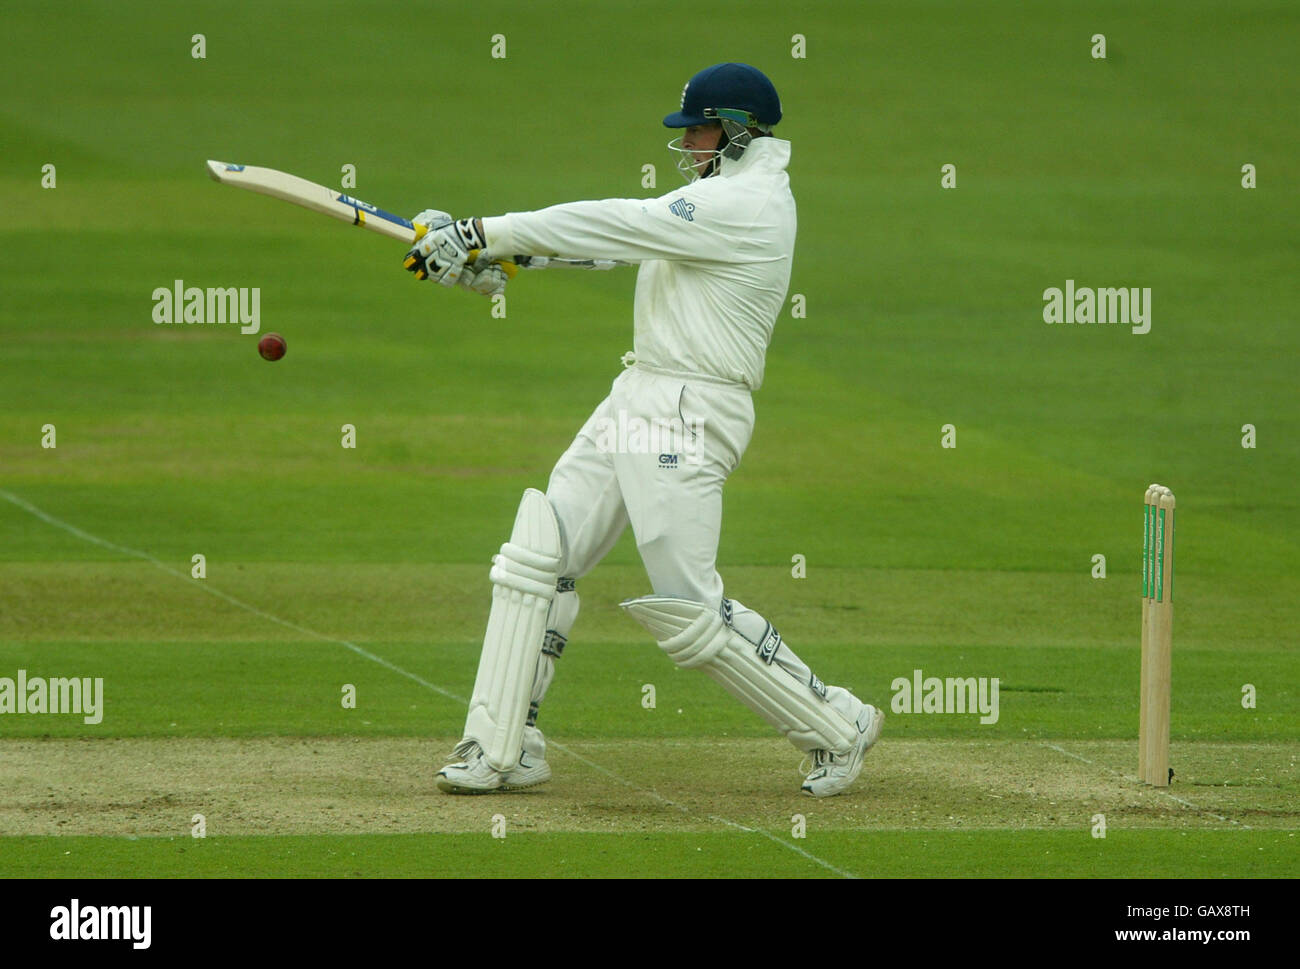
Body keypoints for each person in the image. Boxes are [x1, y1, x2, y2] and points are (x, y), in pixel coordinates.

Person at [405, 62, 882, 798]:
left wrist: (482, 230)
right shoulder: (717, 193)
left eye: (696, 128)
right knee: (542, 553)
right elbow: (622, 245)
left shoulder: (750, 203)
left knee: (688, 610)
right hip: (642, 390)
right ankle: (504, 745)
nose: (686, 141)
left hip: (691, 410)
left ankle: (839, 724)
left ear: (735, 129)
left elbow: (624, 222)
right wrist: (495, 252)